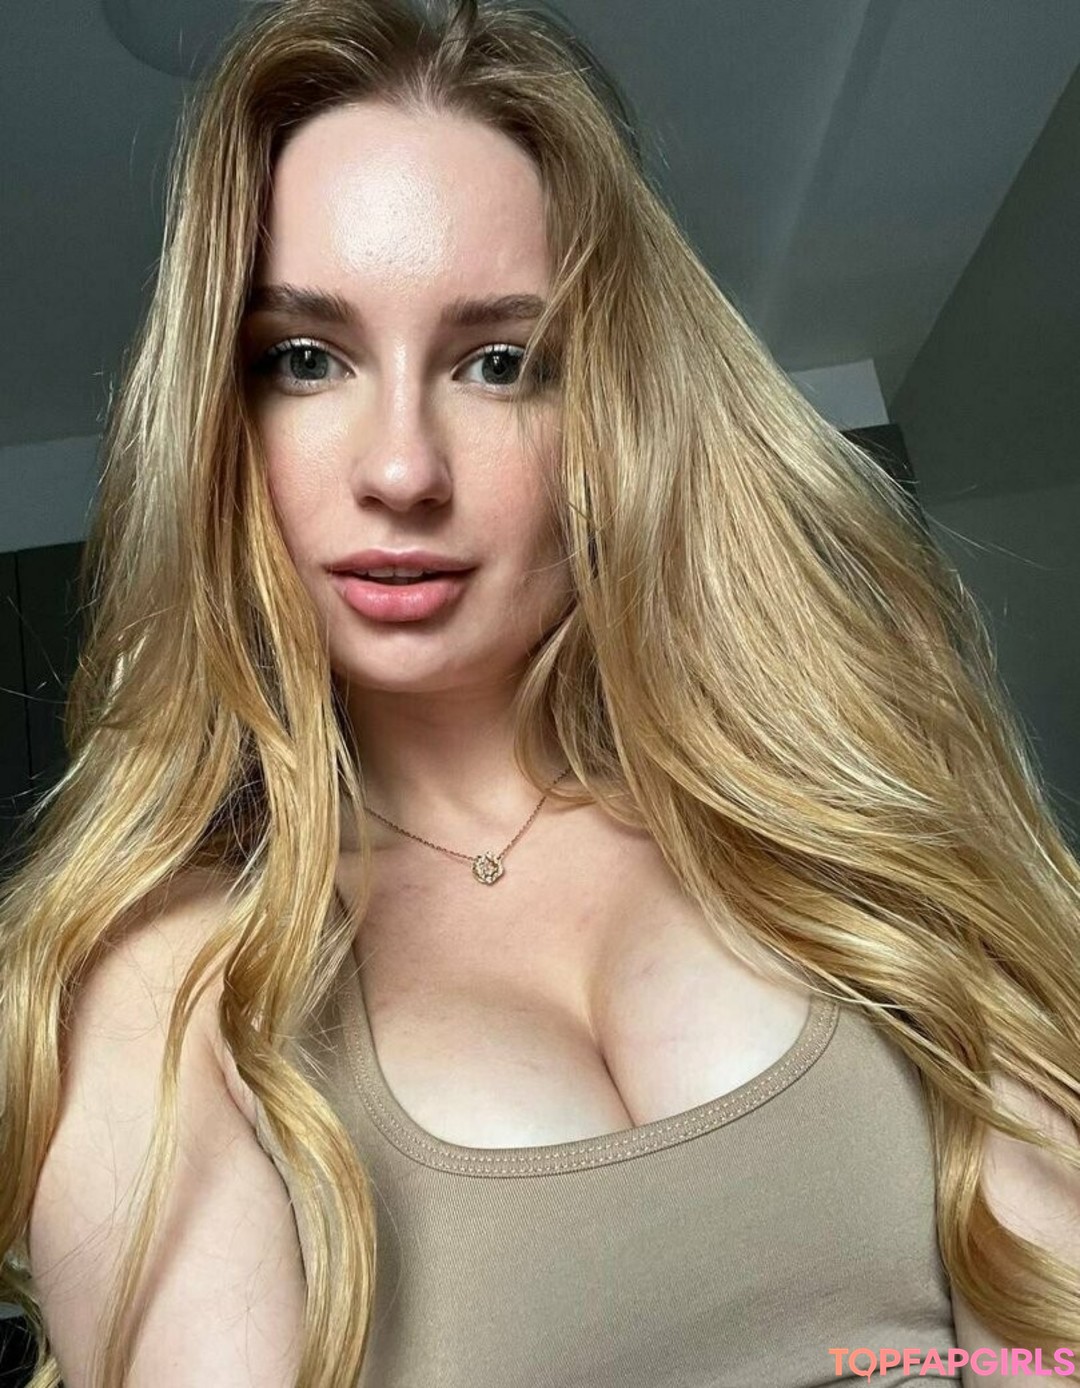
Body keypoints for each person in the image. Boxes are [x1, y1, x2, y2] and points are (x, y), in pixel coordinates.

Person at [1, 0, 1078, 1383]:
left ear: (607, 408)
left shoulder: (829, 799)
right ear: (217, 420)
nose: (402, 468)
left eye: (499, 362)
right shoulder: (163, 986)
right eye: (306, 359)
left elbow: (1048, 1341)